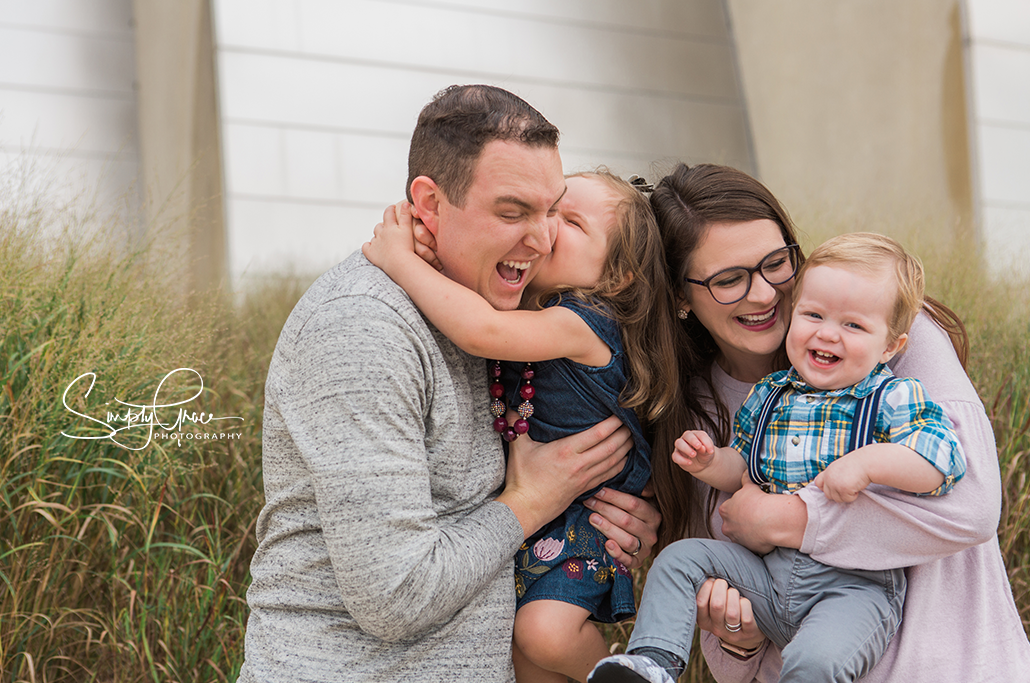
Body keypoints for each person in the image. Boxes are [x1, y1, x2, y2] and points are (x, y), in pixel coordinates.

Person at [235, 85, 661, 683]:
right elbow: (396, 597)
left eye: (553, 211)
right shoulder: (364, 327)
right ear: (429, 202)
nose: (542, 240)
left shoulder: (498, 308)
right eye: (513, 213)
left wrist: (625, 511)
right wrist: (534, 500)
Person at [622, 163, 1030, 682]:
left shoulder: (886, 333)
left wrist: (789, 519)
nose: (766, 293)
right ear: (680, 296)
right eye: (729, 279)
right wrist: (741, 639)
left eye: (776, 263)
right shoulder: (701, 407)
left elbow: (971, 508)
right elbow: (730, 664)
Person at [589, 232, 967, 682]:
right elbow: (745, 467)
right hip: (766, 576)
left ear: (890, 347)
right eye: (813, 315)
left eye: (853, 326)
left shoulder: (891, 394)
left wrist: (868, 464)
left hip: (852, 587)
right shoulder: (771, 394)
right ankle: (654, 662)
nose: (827, 333)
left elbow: (942, 459)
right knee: (680, 559)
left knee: (813, 661)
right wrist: (711, 463)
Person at [363, 169, 679, 683]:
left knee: (543, 634)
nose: (548, 229)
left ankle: (633, 675)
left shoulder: (584, 321)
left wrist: (401, 260)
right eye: (549, 211)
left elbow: (478, 328)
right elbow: (469, 292)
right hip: (541, 517)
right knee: (524, 657)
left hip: (587, 522)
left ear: (616, 277)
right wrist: (431, 245)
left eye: (571, 222)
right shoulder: (538, 307)